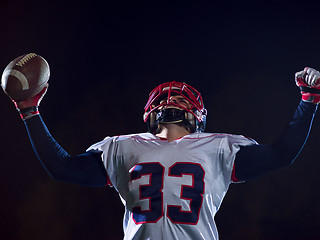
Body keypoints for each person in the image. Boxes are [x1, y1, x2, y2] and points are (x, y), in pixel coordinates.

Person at [8, 67, 320, 240]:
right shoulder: (124, 146)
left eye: (183, 101)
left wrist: (309, 101)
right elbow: (62, 169)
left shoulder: (218, 148)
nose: (177, 103)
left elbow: (282, 155)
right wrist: (29, 111)